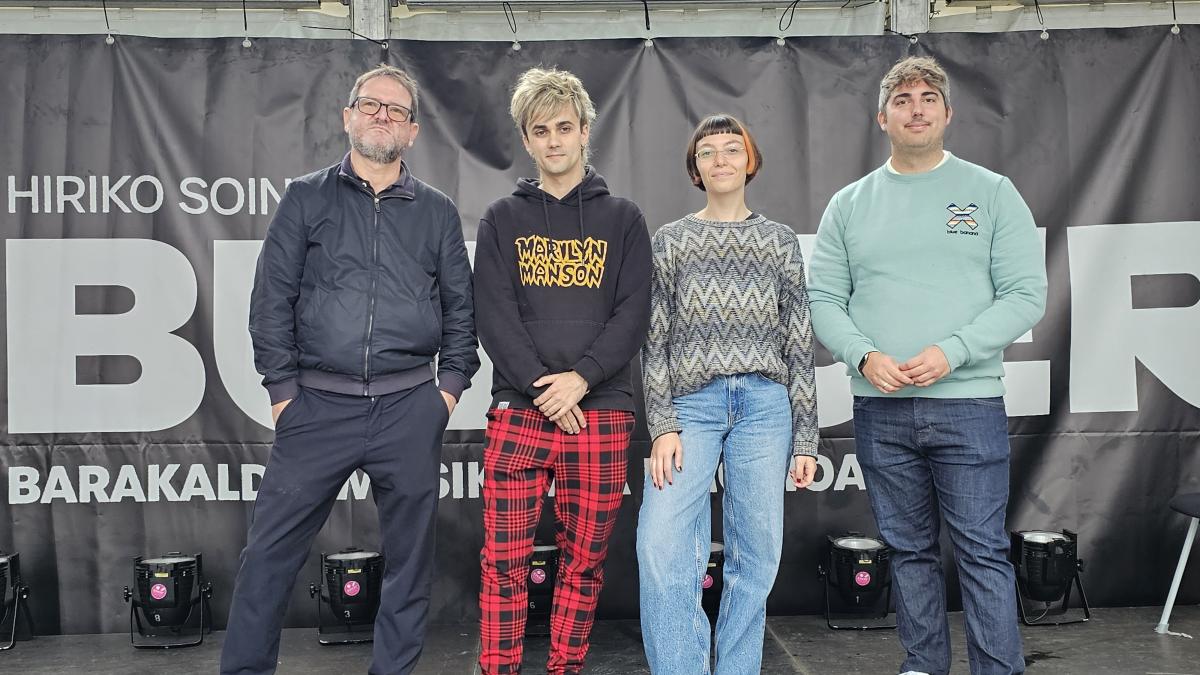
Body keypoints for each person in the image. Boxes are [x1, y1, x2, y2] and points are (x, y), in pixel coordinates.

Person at [220, 64, 479, 675]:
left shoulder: (437, 212)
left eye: (396, 110)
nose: (382, 115)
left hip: (408, 407)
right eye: (371, 104)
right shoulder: (305, 197)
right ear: (347, 116)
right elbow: (271, 300)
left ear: (412, 131)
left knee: (410, 564)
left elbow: (462, 312)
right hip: (316, 407)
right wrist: (284, 393)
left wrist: (444, 393)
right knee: (268, 557)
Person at [808, 56, 1046, 675]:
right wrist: (862, 355)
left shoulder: (991, 193)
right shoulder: (849, 204)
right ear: (881, 115)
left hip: (968, 405)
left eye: (928, 97)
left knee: (982, 552)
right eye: (903, 98)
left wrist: (953, 351)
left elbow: (1025, 294)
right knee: (908, 552)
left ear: (947, 112)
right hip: (880, 409)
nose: (916, 107)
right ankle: (922, 666)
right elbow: (824, 300)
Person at [473, 66, 652, 675]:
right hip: (520, 412)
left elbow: (633, 313)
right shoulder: (502, 218)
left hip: (600, 413)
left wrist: (582, 378)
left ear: (585, 133)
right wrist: (541, 388)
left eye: (564, 128)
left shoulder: (623, 218)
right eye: (540, 130)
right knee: (503, 562)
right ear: (527, 141)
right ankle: (498, 667)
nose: (554, 141)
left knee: (584, 562)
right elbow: (493, 315)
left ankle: (565, 668)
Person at [637, 113, 818, 674]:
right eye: (708, 151)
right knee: (662, 544)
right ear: (695, 167)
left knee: (757, 553)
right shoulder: (671, 240)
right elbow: (654, 339)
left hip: (766, 407)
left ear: (750, 161)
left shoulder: (779, 241)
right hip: (692, 406)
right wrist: (663, 423)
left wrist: (806, 437)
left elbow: (799, 342)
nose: (720, 159)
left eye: (732, 149)